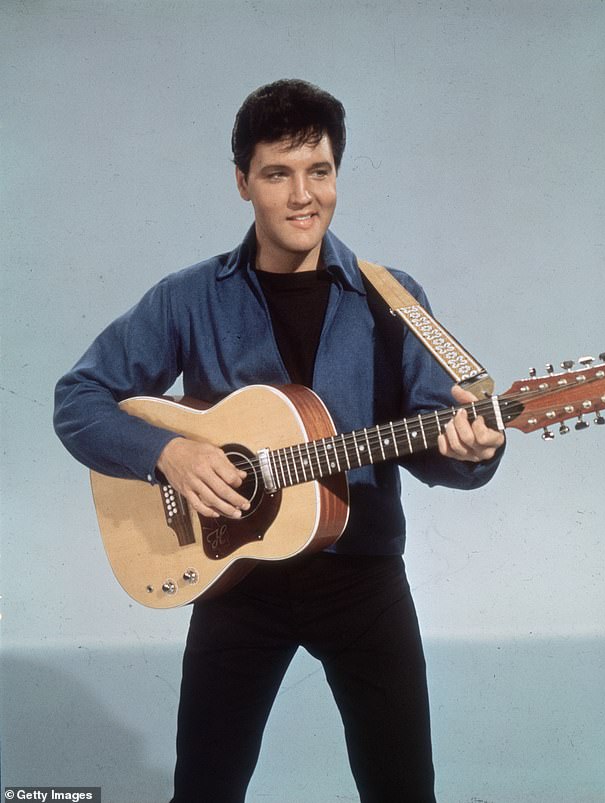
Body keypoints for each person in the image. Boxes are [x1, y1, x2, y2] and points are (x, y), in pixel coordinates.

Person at [54, 79, 505, 803]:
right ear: (243, 182)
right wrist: (168, 453)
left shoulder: (395, 295)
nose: (303, 196)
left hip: (362, 581)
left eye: (320, 172)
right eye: (278, 173)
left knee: (404, 791)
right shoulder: (189, 297)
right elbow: (77, 398)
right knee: (204, 790)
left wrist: (474, 450)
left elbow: (436, 431)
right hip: (236, 579)